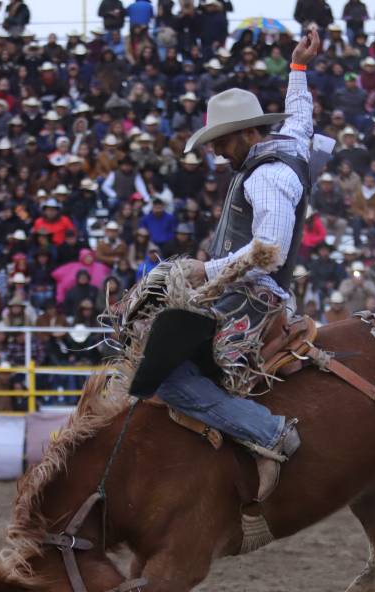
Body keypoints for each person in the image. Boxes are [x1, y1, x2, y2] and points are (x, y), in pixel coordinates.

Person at [134, 27, 321, 499]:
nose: (215, 151)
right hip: (244, 292)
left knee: (169, 379)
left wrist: (205, 272)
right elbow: (301, 116)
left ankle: (268, 432)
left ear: (245, 133)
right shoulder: (288, 148)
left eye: (220, 140)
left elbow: (269, 250)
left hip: (249, 303)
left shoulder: (267, 177)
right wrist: (297, 67)